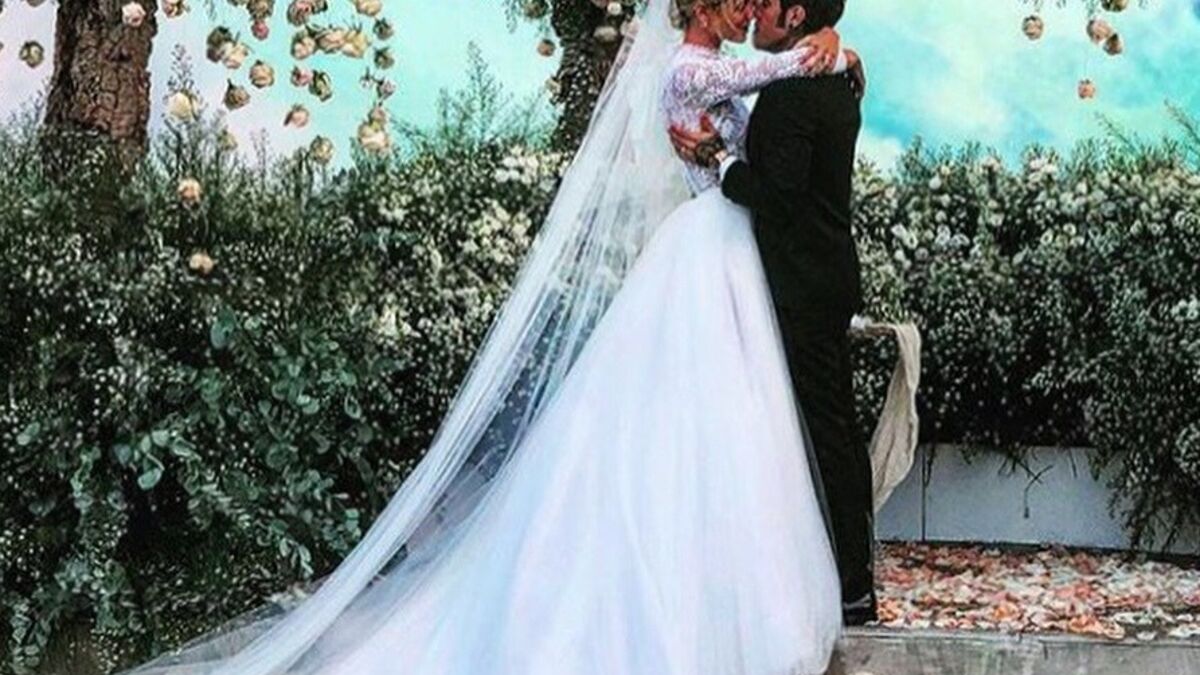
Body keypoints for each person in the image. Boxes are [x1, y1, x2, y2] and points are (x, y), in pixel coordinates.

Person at [123, 1, 859, 673]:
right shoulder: (691, 70)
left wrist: (833, 47)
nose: (747, 12)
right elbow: (767, 75)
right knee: (690, 415)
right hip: (706, 245)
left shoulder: (733, 67)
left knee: (725, 415)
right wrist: (825, 50)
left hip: (729, 245)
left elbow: (772, 99)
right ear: (701, 8)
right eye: (736, 2)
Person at [668, 0, 876, 625]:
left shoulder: (792, 93)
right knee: (828, 429)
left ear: (793, 15)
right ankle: (846, 572)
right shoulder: (825, 79)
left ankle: (851, 583)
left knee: (824, 432)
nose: (754, 12)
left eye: (766, 5)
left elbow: (778, 197)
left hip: (802, 283)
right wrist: (837, 46)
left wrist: (720, 160)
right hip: (815, 275)